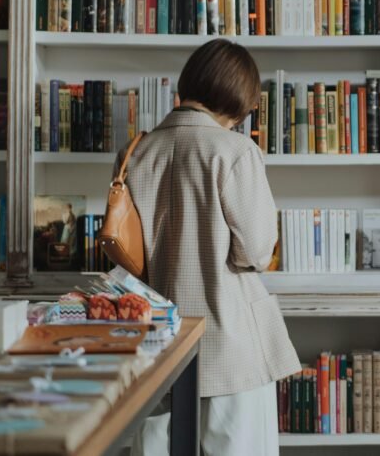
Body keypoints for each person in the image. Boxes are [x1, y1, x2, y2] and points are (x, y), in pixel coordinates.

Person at [121, 38, 300, 456]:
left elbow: (130, 251)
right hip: (228, 341)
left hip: (154, 342)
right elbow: (256, 252)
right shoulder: (236, 152)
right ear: (239, 99)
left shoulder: (135, 152)